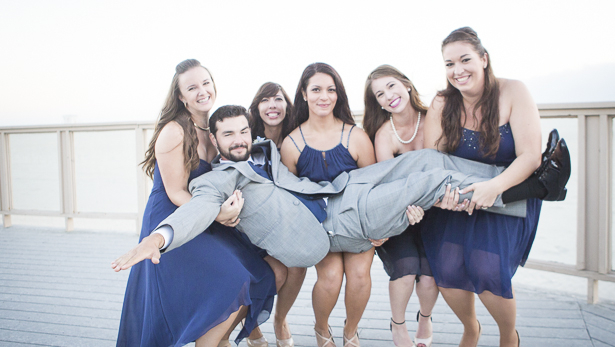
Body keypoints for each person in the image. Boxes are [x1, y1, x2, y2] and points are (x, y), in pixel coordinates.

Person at [112, 103, 568, 280]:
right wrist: (158, 238)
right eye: (226, 135)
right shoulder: (216, 182)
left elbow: (290, 158)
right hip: (335, 226)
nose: (236, 140)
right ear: (213, 139)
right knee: (431, 184)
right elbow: (193, 211)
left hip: (341, 190)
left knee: (426, 160)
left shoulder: (264, 149)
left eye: (241, 131)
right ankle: (535, 188)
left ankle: (515, 173)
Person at [114, 60, 276, 347]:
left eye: (206, 83)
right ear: (181, 95)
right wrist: (217, 215)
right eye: (192, 87)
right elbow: (175, 192)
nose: (202, 91)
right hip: (176, 216)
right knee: (233, 278)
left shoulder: (214, 128)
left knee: (261, 271)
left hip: (206, 214)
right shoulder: (175, 130)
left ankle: (215, 343)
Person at [420, 27, 547, 347]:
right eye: (449, 63)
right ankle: (470, 327)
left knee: (488, 272)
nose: (458, 70)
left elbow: (530, 156)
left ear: (483, 59)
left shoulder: (513, 91)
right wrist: (446, 195)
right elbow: (433, 159)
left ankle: (508, 338)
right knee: (446, 272)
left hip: (505, 197)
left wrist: (494, 188)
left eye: (465, 59)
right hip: (458, 200)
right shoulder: (443, 103)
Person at [279, 63, 385, 347]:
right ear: (303, 94)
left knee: (360, 276)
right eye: (316, 89)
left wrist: (379, 228)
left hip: (357, 224)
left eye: (331, 89)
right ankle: (321, 329)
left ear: (338, 94)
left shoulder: (357, 136)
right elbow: (290, 197)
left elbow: (373, 188)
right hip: (320, 228)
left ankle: (351, 331)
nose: (324, 96)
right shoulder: (292, 143)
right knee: (330, 277)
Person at [363, 64, 440, 347]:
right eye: (380, 94)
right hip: (399, 216)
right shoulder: (384, 136)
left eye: (392, 86)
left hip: (435, 212)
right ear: (378, 103)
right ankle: (398, 325)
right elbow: (388, 191)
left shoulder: (434, 119)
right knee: (407, 271)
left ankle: (425, 317)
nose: (389, 96)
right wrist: (406, 213)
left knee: (430, 278)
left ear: (406, 85)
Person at [245, 82, 305, 347]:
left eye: (278, 99)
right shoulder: (248, 139)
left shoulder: (299, 136)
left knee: (298, 265)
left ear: (287, 104)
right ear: (257, 107)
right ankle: (253, 325)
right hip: (251, 218)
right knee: (254, 268)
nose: (272, 106)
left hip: (288, 218)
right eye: (265, 100)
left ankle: (280, 319)